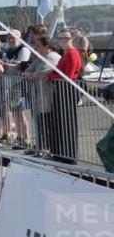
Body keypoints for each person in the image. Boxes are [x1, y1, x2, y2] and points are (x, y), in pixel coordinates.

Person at [47, 30, 82, 163]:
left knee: (67, 122)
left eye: (66, 38)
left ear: (72, 38)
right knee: (61, 122)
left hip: (67, 90)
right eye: (61, 38)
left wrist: (50, 76)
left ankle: (69, 155)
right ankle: (62, 154)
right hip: (61, 90)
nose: (63, 40)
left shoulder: (72, 53)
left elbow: (68, 76)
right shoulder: (66, 53)